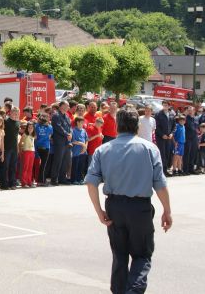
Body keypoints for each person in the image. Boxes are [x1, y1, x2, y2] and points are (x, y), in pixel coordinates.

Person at [85, 107, 172, 294]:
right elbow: (160, 184)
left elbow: (91, 183)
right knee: (142, 255)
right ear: (138, 126)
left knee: (120, 254)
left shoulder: (103, 150)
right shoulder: (149, 148)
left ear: (117, 125)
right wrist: (167, 210)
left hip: (114, 205)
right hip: (139, 207)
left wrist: (99, 210)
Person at [50, 101, 72, 186]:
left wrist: (70, 133)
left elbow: (69, 127)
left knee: (65, 161)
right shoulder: (56, 115)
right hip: (59, 141)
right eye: (67, 105)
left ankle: (62, 179)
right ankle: (54, 179)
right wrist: (67, 134)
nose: (68, 107)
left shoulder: (66, 116)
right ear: (61, 106)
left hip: (66, 141)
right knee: (58, 160)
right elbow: (58, 127)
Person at [2, 107, 20, 190]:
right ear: (10, 113)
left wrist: (17, 148)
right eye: (14, 113)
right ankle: (4, 184)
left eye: (17, 113)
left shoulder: (17, 123)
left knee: (13, 166)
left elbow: (16, 137)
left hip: (14, 148)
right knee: (5, 166)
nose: (16, 115)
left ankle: (12, 183)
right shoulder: (6, 121)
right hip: (6, 147)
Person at [155, 101, 174, 176]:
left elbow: (174, 126)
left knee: (167, 154)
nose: (165, 106)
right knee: (162, 154)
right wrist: (162, 134)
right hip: (161, 138)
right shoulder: (158, 114)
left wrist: (172, 133)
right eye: (164, 105)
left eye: (166, 105)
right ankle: (161, 171)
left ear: (169, 106)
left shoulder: (172, 114)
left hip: (169, 138)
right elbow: (156, 126)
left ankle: (165, 170)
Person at [34, 113, 53, 186]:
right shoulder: (50, 127)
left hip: (38, 146)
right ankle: (41, 181)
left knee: (38, 164)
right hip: (46, 147)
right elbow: (49, 136)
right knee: (43, 165)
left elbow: (35, 136)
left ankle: (38, 180)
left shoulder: (36, 126)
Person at [71, 116, 89, 185]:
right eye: (81, 122)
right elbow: (73, 141)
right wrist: (81, 144)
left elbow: (86, 140)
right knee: (75, 166)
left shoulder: (84, 131)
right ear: (77, 122)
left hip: (83, 151)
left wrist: (85, 146)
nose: (83, 123)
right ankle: (74, 180)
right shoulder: (73, 130)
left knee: (81, 166)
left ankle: (80, 179)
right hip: (76, 151)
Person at [19, 121, 35, 188]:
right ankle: (24, 182)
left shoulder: (32, 135)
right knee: (25, 167)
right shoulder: (24, 135)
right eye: (29, 128)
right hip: (26, 152)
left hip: (32, 152)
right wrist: (22, 149)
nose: (30, 129)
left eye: (32, 128)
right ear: (27, 128)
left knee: (30, 168)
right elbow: (20, 143)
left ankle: (29, 181)